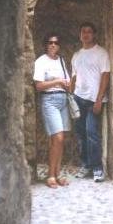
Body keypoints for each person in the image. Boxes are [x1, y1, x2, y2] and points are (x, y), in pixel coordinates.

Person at [70, 22, 110, 183]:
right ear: (80, 35)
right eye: (83, 31)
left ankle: (97, 168)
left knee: (92, 133)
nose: (85, 34)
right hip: (78, 98)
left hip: (94, 100)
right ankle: (85, 165)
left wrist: (99, 99)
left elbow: (105, 75)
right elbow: (74, 77)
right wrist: (71, 96)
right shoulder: (76, 55)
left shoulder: (101, 53)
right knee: (81, 135)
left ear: (94, 34)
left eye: (89, 31)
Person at [33, 32, 72, 189]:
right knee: (58, 138)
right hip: (49, 100)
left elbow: (68, 82)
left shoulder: (61, 61)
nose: (53, 45)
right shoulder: (41, 61)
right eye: (50, 42)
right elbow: (39, 85)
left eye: (56, 43)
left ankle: (57, 173)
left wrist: (67, 84)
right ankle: (50, 175)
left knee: (60, 141)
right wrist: (57, 81)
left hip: (63, 99)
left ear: (59, 45)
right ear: (46, 45)